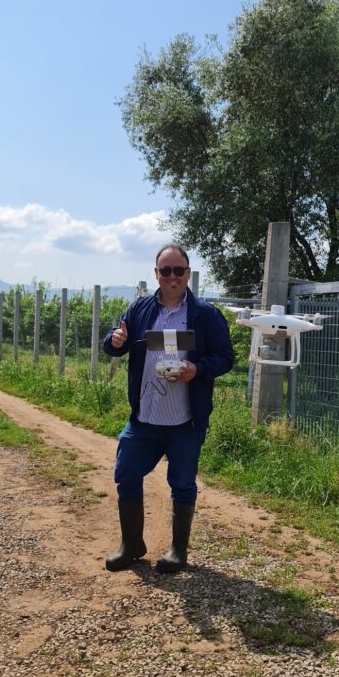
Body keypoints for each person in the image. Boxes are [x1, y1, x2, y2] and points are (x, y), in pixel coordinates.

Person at [103, 245, 234, 574]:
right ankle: (131, 545)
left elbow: (225, 357)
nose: (172, 277)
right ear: (156, 274)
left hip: (185, 421)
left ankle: (178, 551)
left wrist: (197, 369)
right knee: (126, 473)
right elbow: (115, 340)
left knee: (182, 483)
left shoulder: (206, 314)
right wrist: (113, 340)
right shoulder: (140, 309)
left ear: (188, 273)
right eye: (166, 271)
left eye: (179, 270)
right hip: (144, 417)